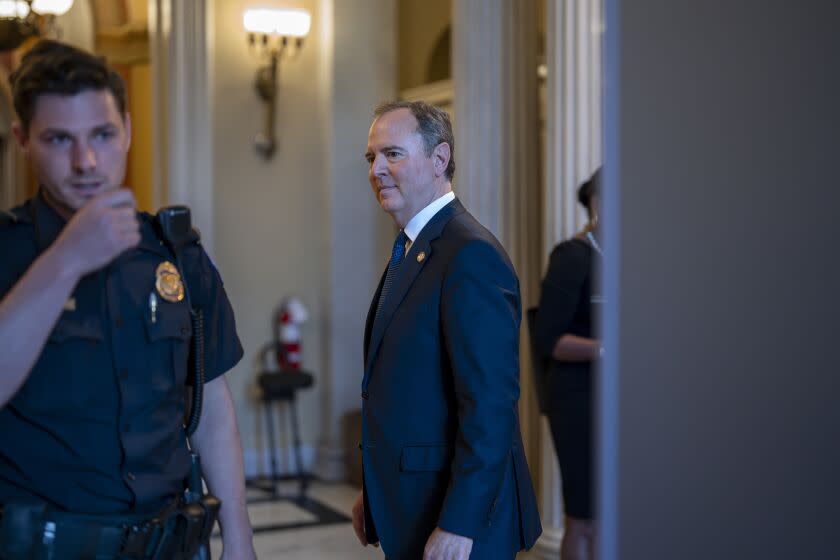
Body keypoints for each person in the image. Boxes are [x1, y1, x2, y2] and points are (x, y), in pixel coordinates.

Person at [0, 40, 255, 559]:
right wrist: (66, 259)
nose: (85, 161)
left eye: (102, 134)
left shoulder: (176, 254)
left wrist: (240, 538)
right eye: (58, 139)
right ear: (23, 140)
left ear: (129, 131)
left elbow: (211, 409)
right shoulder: (8, 253)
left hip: (167, 543)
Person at [351, 100, 542, 560]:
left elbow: (489, 405)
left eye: (392, 154)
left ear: (439, 160)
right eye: (372, 157)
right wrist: (374, 491)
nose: (377, 169)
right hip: (412, 503)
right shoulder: (415, 248)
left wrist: (460, 521)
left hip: (458, 522)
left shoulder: (469, 254)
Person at [534, 170, 603, 560]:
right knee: (585, 516)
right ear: (596, 203)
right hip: (578, 399)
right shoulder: (571, 256)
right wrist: (606, 349)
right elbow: (549, 339)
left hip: (622, 397)